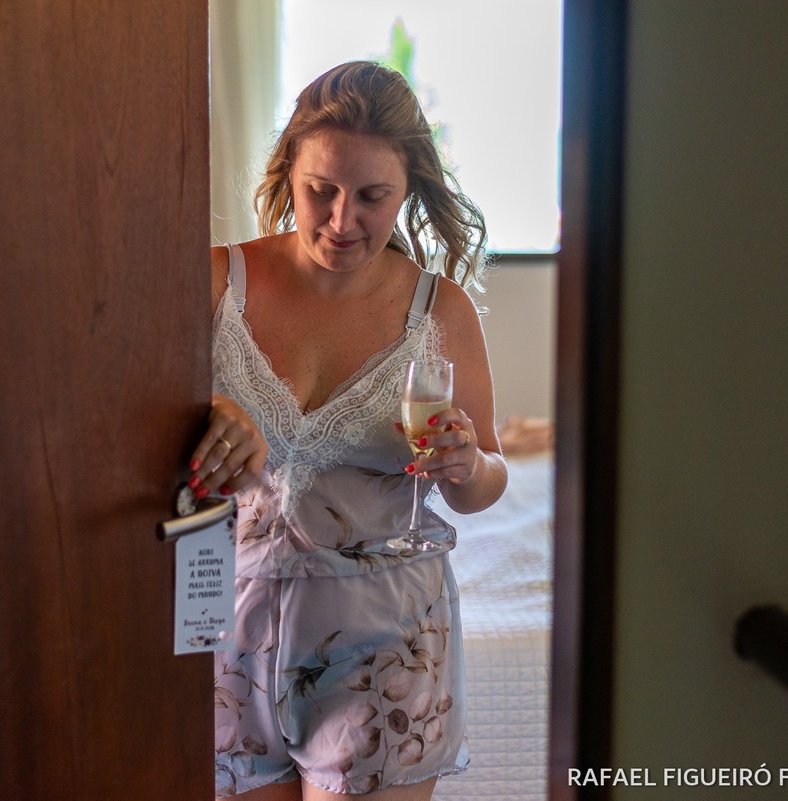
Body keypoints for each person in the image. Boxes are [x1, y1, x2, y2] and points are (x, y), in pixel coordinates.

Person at [190, 61, 508, 801]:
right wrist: (205, 410)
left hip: (388, 653)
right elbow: (125, 429)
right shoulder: (214, 285)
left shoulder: (441, 313)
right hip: (228, 648)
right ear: (288, 172)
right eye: (320, 192)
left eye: (373, 197)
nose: (341, 221)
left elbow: (487, 478)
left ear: (409, 192)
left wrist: (466, 463)